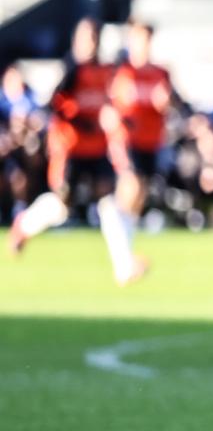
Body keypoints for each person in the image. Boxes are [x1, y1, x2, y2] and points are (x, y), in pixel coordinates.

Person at [8, 18, 146, 284]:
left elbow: (109, 102)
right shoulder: (72, 70)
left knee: (109, 202)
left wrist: (119, 119)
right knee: (62, 204)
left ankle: (124, 266)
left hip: (97, 148)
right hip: (70, 148)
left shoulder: (106, 70)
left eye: (95, 36)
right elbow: (54, 106)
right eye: (87, 37)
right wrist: (77, 122)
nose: (91, 42)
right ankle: (24, 224)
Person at [106, 21, 176, 265]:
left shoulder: (160, 73)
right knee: (131, 186)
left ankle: (125, 255)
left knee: (137, 199)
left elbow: (172, 104)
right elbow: (110, 107)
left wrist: (166, 103)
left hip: (151, 141)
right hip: (127, 140)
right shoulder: (122, 72)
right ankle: (122, 257)